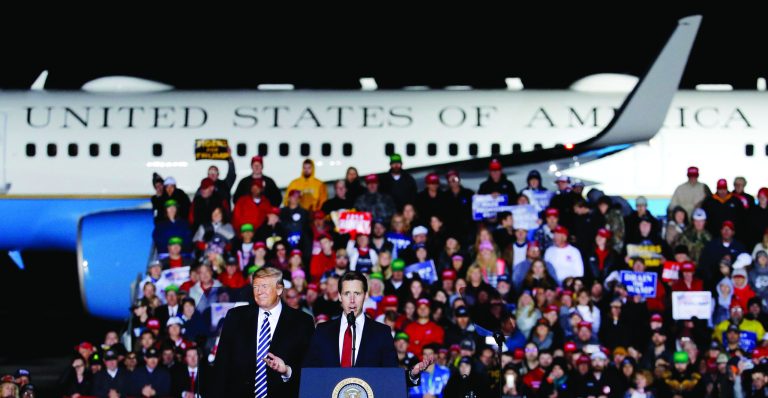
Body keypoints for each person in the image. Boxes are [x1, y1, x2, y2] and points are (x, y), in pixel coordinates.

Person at [303, 271, 433, 384]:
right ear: (339, 296)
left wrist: (411, 375)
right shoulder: (322, 331)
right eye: (347, 293)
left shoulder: (382, 333)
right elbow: (309, 375)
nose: (352, 300)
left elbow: (390, 377)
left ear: (365, 296)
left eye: (357, 294)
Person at [214, 267, 315, 398]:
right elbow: (221, 365)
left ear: (279, 289)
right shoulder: (236, 317)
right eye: (255, 287)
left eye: (264, 286)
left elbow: (310, 369)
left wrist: (287, 371)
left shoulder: (302, 322)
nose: (259, 291)